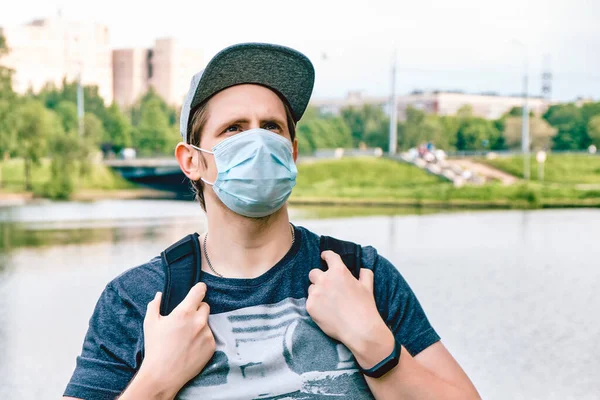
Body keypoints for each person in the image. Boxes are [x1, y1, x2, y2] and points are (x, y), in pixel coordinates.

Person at [64, 43, 480, 399]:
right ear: (191, 161)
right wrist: (155, 382)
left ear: (292, 152)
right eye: (233, 129)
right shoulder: (140, 299)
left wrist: (376, 346)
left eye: (271, 127)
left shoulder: (361, 277)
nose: (258, 142)